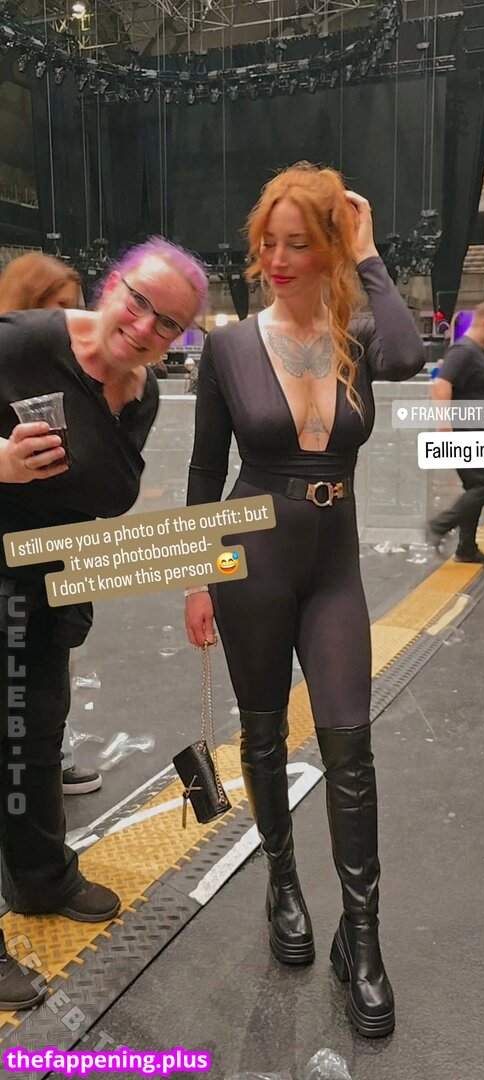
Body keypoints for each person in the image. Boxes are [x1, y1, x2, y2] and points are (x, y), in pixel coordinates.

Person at [185, 163, 425, 1039]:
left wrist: (370, 254)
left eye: (299, 243)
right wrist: (196, 576)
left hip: (334, 567)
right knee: (260, 732)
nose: (278, 259)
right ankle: (282, 884)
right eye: (269, 243)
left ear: (328, 248)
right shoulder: (228, 348)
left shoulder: (358, 333)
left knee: (350, 748)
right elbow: (204, 470)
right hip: (249, 556)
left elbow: (408, 355)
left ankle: (362, 941)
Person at [0, 237, 207, 1011]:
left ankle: (42, 881)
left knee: (33, 737)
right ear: (110, 284)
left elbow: (96, 491)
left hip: (44, 583)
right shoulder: (25, 342)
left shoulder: (140, 394)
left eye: (168, 323)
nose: (146, 326)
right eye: (139, 301)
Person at [0, 252, 103, 797]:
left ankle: (46, 760)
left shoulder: (74, 381)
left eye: (75, 309)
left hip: (60, 556)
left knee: (52, 670)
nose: (70, 324)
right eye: (57, 310)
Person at [427, 301, 484, 564]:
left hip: (481, 432)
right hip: (468, 433)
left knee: (477, 486)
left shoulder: (479, 352)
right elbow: (440, 385)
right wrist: (444, 427)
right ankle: (440, 525)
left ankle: (466, 548)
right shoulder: (463, 350)